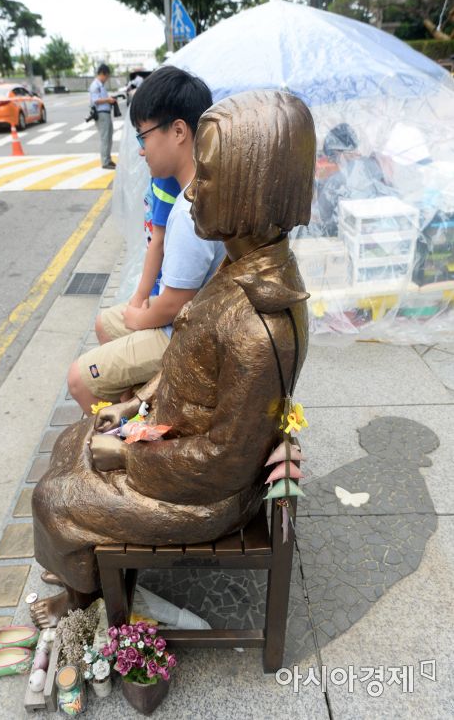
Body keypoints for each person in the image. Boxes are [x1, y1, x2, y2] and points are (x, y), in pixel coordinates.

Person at [30, 89, 315, 628]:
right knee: (77, 437)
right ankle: (84, 557)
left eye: (205, 178)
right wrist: (137, 402)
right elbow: (185, 359)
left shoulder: (263, 324)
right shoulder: (240, 267)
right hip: (176, 438)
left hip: (206, 497)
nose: (192, 194)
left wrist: (129, 457)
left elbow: (222, 462)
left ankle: (83, 599)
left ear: (246, 191)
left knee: (54, 497)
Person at [68, 66, 223, 414]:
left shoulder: (189, 211)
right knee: (105, 322)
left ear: (179, 131)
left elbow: (172, 306)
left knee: (78, 378)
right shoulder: (203, 190)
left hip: (183, 336)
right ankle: (141, 403)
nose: (141, 150)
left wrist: (139, 317)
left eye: (143, 136)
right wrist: (139, 304)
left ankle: (131, 451)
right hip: (187, 323)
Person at [317, 123, 391, 235]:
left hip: (351, 235)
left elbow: (323, 216)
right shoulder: (373, 165)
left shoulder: (336, 181)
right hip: (383, 231)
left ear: (337, 152)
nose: (333, 162)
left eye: (332, 157)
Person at [89, 64, 117, 169]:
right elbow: (95, 100)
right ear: (102, 74)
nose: (107, 79)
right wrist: (108, 100)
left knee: (109, 137)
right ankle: (105, 162)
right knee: (105, 138)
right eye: (107, 76)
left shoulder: (100, 85)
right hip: (101, 114)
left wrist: (109, 100)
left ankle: (108, 159)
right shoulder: (95, 85)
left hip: (106, 113)